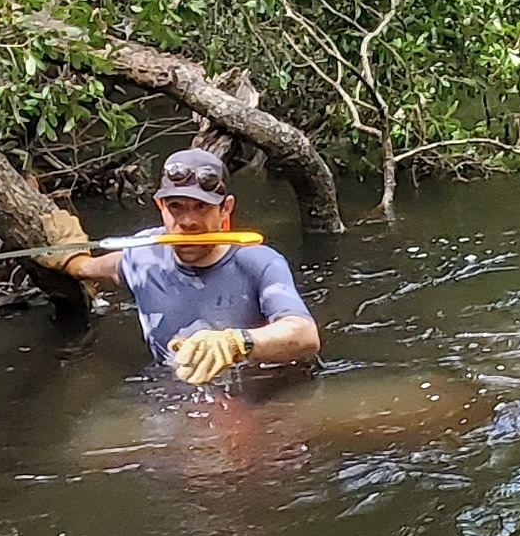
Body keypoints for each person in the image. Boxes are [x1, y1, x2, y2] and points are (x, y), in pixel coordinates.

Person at [45, 148, 321, 384]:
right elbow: (100, 268)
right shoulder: (143, 255)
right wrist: (71, 258)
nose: (188, 221)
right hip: (169, 390)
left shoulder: (258, 262)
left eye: (201, 207)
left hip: (255, 393)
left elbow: (305, 335)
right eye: (176, 207)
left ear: (225, 209)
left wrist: (237, 343)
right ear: (161, 207)